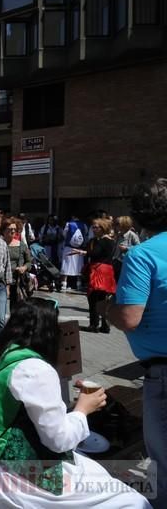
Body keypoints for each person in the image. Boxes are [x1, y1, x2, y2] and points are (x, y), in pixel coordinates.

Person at [0, 299, 150, 508]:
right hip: (17, 480)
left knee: (98, 475)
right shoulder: (34, 369)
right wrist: (83, 409)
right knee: (132, 501)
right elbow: (59, 440)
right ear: (49, 332)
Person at [97, 178, 167, 508]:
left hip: (163, 373)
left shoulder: (142, 255)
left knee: (164, 464)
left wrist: (106, 307)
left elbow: (128, 318)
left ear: (137, 217)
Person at [72, 218, 116, 333]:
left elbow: (95, 253)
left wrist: (83, 252)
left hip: (100, 271)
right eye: (93, 227)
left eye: (96, 227)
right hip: (102, 270)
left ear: (103, 228)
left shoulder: (105, 241)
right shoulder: (97, 240)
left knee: (94, 298)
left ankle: (94, 325)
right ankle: (104, 325)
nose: (94, 229)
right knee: (101, 299)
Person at [2, 217, 32, 309]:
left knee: (16, 310)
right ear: (3, 230)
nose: (13, 231)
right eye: (10, 229)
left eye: (15, 229)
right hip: (1, 281)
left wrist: (24, 268)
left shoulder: (22, 246)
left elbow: (29, 262)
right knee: (0, 309)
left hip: (17, 281)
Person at [60, 215, 86, 291]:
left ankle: (63, 285)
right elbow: (86, 236)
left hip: (68, 248)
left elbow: (64, 234)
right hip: (79, 249)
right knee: (79, 266)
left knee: (66, 265)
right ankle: (79, 285)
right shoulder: (84, 225)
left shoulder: (68, 224)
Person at [112, 215, 140, 281]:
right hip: (116, 261)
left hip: (125, 262)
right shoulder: (119, 234)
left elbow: (138, 247)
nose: (116, 226)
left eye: (118, 224)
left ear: (124, 225)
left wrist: (127, 248)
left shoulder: (132, 235)